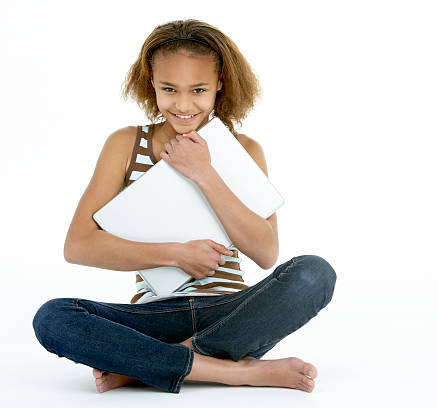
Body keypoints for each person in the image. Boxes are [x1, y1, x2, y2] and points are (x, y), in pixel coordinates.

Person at [32, 19, 336, 394]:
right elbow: (77, 246)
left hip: (230, 314)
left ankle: (150, 364)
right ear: (151, 84)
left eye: (198, 90)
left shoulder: (246, 151)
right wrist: (177, 255)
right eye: (169, 89)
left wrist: (204, 173)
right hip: (152, 315)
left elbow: (266, 251)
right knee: (52, 318)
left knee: (314, 274)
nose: (183, 104)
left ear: (220, 83)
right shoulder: (126, 144)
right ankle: (237, 372)